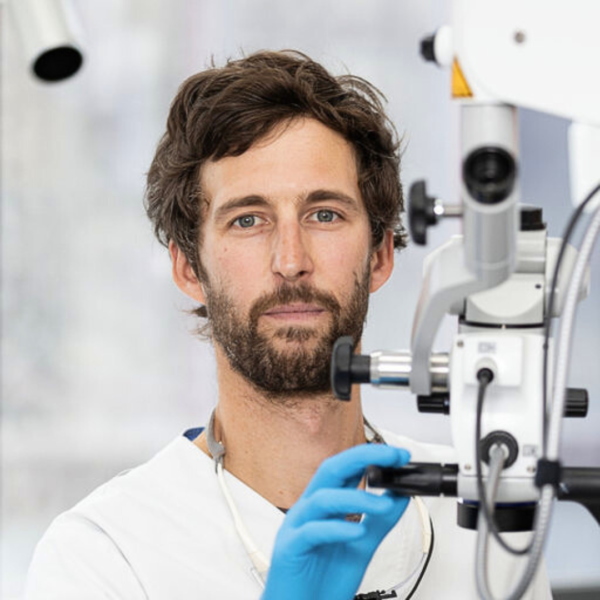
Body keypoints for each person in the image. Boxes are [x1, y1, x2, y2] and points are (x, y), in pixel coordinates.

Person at [25, 50, 552, 600]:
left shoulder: (484, 507)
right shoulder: (103, 556)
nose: (290, 259)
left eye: (325, 214)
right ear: (189, 269)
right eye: (248, 220)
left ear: (380, 255)